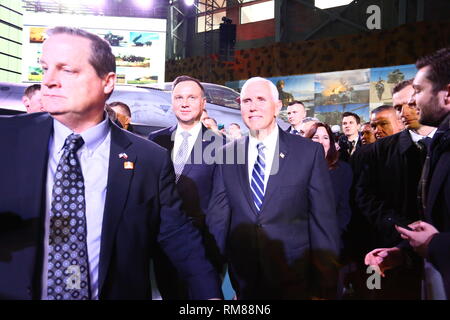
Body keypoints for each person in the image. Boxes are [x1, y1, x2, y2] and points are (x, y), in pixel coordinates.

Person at [0, 27, 222, 300]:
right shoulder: (6, 140)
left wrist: (210, 295)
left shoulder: (148, 159)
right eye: (45, 68)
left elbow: (177, 236)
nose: (49, 81)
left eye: (67, 70)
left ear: (107, 82)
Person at [206, 77, 340, 299]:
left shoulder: (308, 152)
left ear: (277, 107)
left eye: (261, 99)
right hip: (245, 280)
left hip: (296, 277)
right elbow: (218, 220)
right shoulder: (227, 153)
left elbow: (323, 222)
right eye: (247, 100)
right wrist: (209, 279)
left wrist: (325, 286)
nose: (253, 107)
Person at [365, 47, 450, 299]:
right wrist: (406, 252)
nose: (412, 102)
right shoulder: (440, 145)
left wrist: (434, 246)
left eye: (419, 91)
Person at [353, 80, 436, 299]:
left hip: (435, 253)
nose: (404, 112)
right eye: (398, 107)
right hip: (380, 248)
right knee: (374, 292)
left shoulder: (441, 145)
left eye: (410, 104)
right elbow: (364, 198)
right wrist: (401, 228)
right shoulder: (371, 153)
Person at [148, 75, 224, 299]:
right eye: (179, 97)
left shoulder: (220, 144)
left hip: (203, 247)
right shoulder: (155, 140)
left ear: (203, 103)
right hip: (162, 246)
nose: (184, 102)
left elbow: (221, 203)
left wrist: (218, 250)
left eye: (192, 97)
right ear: (171, 103)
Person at [305, 122, 352, 236]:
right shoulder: (296, 168)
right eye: (315, 137)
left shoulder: (342, 170)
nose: (321, 142)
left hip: (331, 235)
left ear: (330, 143)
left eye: (325, 138)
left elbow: (344, 208)